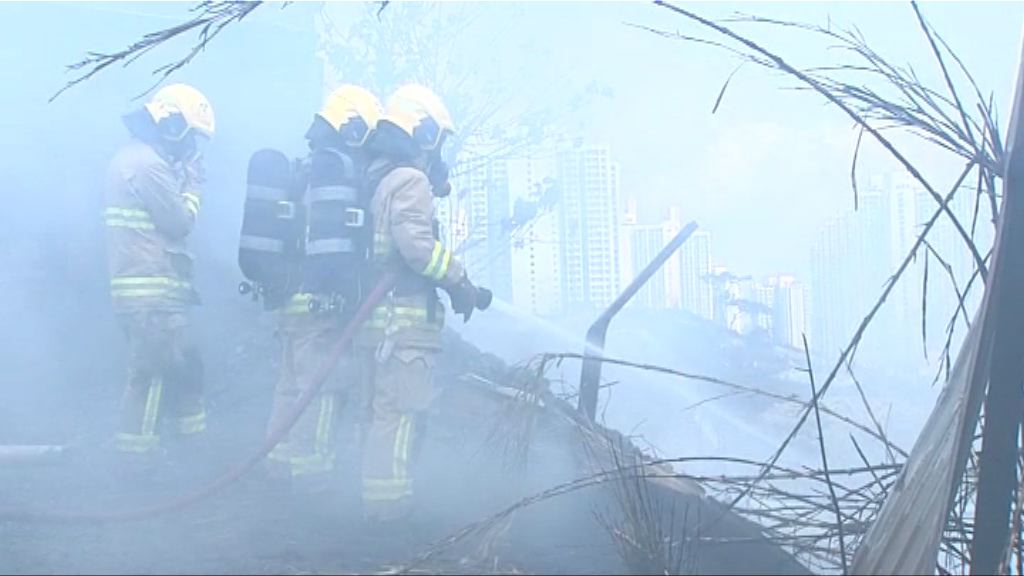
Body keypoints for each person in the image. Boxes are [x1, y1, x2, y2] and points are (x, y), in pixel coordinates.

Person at [358, 83, 483, 523]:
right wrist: (459, 280)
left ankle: (378, 499)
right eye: (436, 139)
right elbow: (417, 248)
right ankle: (388, 506)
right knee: (400, 412)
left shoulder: (377, 176)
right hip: (404, 325)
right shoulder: (410, 180)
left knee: (380, 411)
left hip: (381, 321)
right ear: (422, 132)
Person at [265, 85, 384, 495]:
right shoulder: (337, 166)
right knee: (321, 388)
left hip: (292, 296)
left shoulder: (306, 167)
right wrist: (345, 295)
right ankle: (310, 475)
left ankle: (280, 465)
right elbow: (334, 247)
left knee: (290, 385)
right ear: (351, 126)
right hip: (320, 300)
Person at [104, 84, 214, 464]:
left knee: (181, 363)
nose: (191, 147)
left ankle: (191, 451)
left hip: (153, 291)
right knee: (151, 374)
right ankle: (137, 462)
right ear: (171, 126)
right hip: (151, 294)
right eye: (190, 136)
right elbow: (179, 223)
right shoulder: (147, 165)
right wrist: (194, 185)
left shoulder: (132, 158)